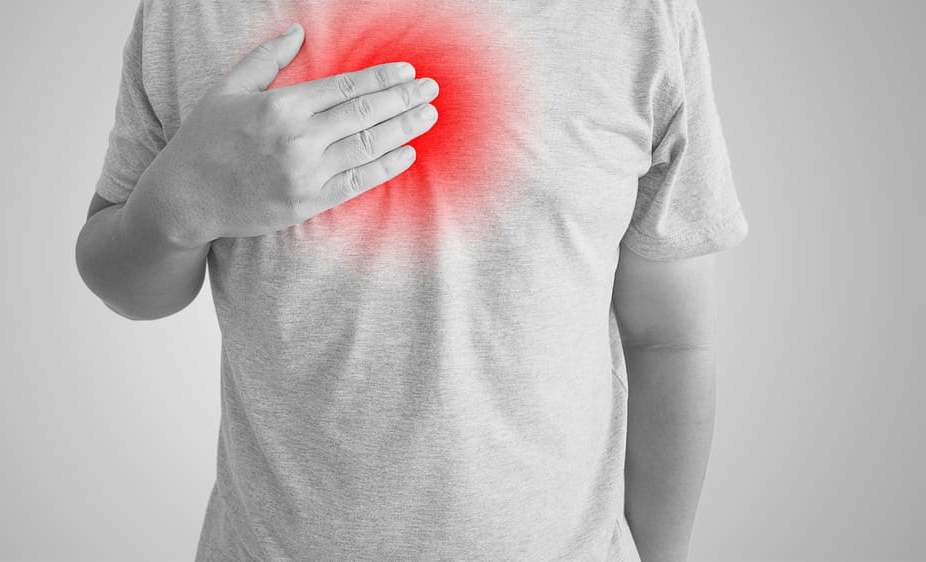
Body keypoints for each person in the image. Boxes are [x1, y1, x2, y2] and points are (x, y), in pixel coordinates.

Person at [75, 0, 749, 560]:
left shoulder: (639, 19)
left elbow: (669, 340)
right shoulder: (192, 15)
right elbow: (122, 282)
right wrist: (180, 202)